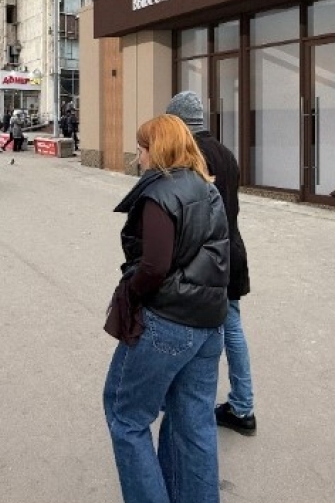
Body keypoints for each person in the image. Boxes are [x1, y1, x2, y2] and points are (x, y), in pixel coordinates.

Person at [103, 114, 230, 503]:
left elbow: (154, 266)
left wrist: (131, 292)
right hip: (209, 323)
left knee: (125, 416)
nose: (138, 157)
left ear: (156, 150)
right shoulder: (206, 187)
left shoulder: (160, 193)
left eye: (141, 149)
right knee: (193, 424)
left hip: (168, 323)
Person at [166, 90, 257, 436]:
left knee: (195, 330)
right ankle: (242, 404)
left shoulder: (191, 157)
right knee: (232, 328)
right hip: (232, 251)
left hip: (206, 259)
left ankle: (192, 405)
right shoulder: (225, 153)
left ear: (178, 123)